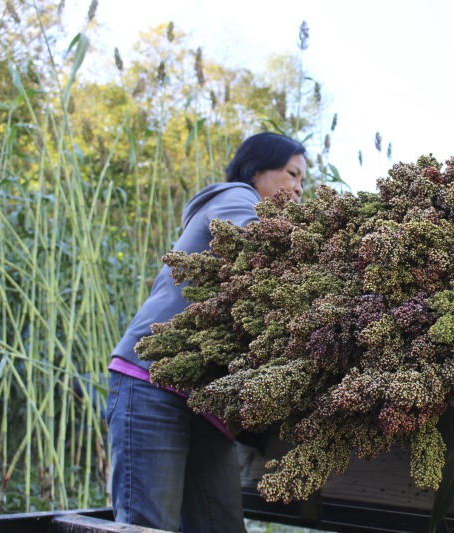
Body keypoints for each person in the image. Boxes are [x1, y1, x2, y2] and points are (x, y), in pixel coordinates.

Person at [105, 132, 307, 532]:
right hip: (153, 384)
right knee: (149, 525)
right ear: (256, 171)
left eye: (304, 181)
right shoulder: (236, 199)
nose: (299, 188)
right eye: (292, 174)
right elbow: (262, 248)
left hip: (205, 406)